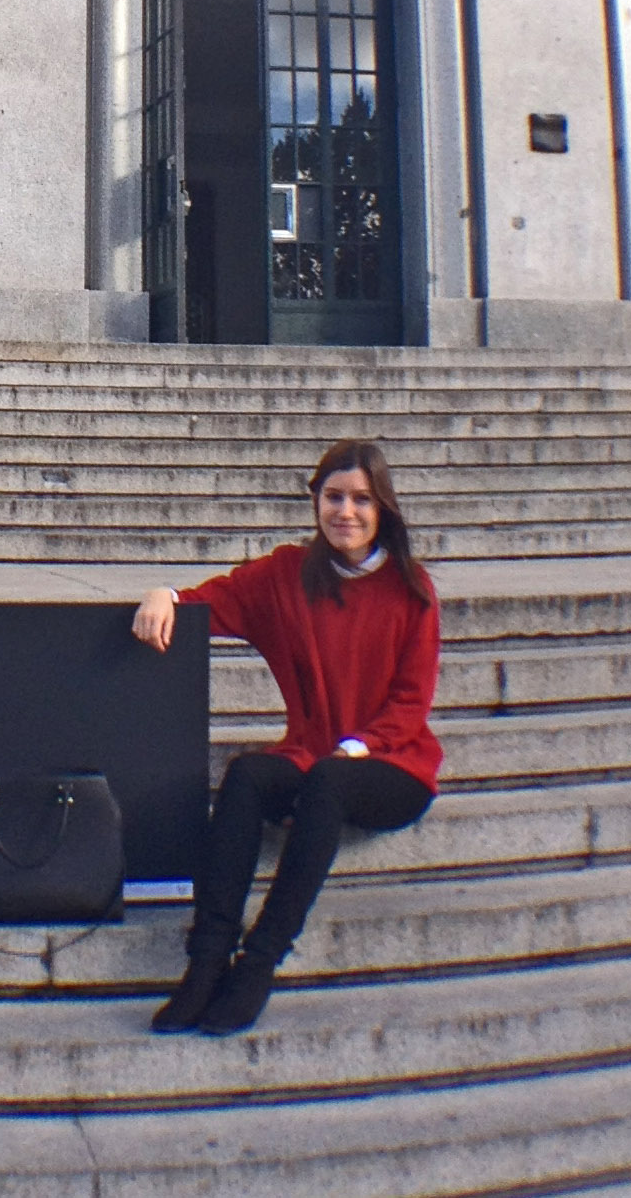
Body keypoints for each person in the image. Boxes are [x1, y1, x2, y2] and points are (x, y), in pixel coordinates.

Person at [130, 436, 440, 1036]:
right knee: (248, 775)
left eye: (361, 500)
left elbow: (410, 703)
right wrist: (162, 596)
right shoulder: (286, 575)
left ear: (382, 509)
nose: (345, 512)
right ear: (316, 501)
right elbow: (207, 604)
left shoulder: (412, 588)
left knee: (328, 779)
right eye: (333, 497)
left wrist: (354, 749)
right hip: (314, 756)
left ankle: (258, 963)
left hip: (394, 765)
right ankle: (206, 963)